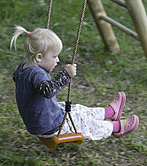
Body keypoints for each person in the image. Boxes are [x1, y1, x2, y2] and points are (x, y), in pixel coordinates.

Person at [11, 25, 139, 141]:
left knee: (77, 110)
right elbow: (49, 91)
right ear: (39, 57)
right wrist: (66, 74)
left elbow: (21, 81)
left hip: (39, 119)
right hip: (50, 125)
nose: (57, 60)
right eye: (54, 56)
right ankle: (117, 127)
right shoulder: (37, 73)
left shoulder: (22, 68)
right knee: (83, 122)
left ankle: (110, 112)